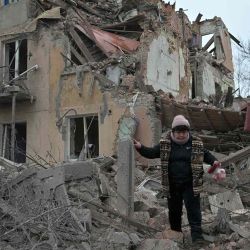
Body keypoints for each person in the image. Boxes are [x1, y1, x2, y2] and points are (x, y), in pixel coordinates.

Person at [134, 115, 225, 243]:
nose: (181, 135)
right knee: (174, 211)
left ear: (188, 131)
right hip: (172, 184)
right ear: (173, 132)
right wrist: (140, 147)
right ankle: (176, 235)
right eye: (178, 132)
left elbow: (208, 156)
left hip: (191, 184)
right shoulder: (165, 144)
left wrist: (215, 164)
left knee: (194, 210)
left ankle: (197, 237)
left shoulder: (196, 144)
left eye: (184, 132)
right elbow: (151, 153)